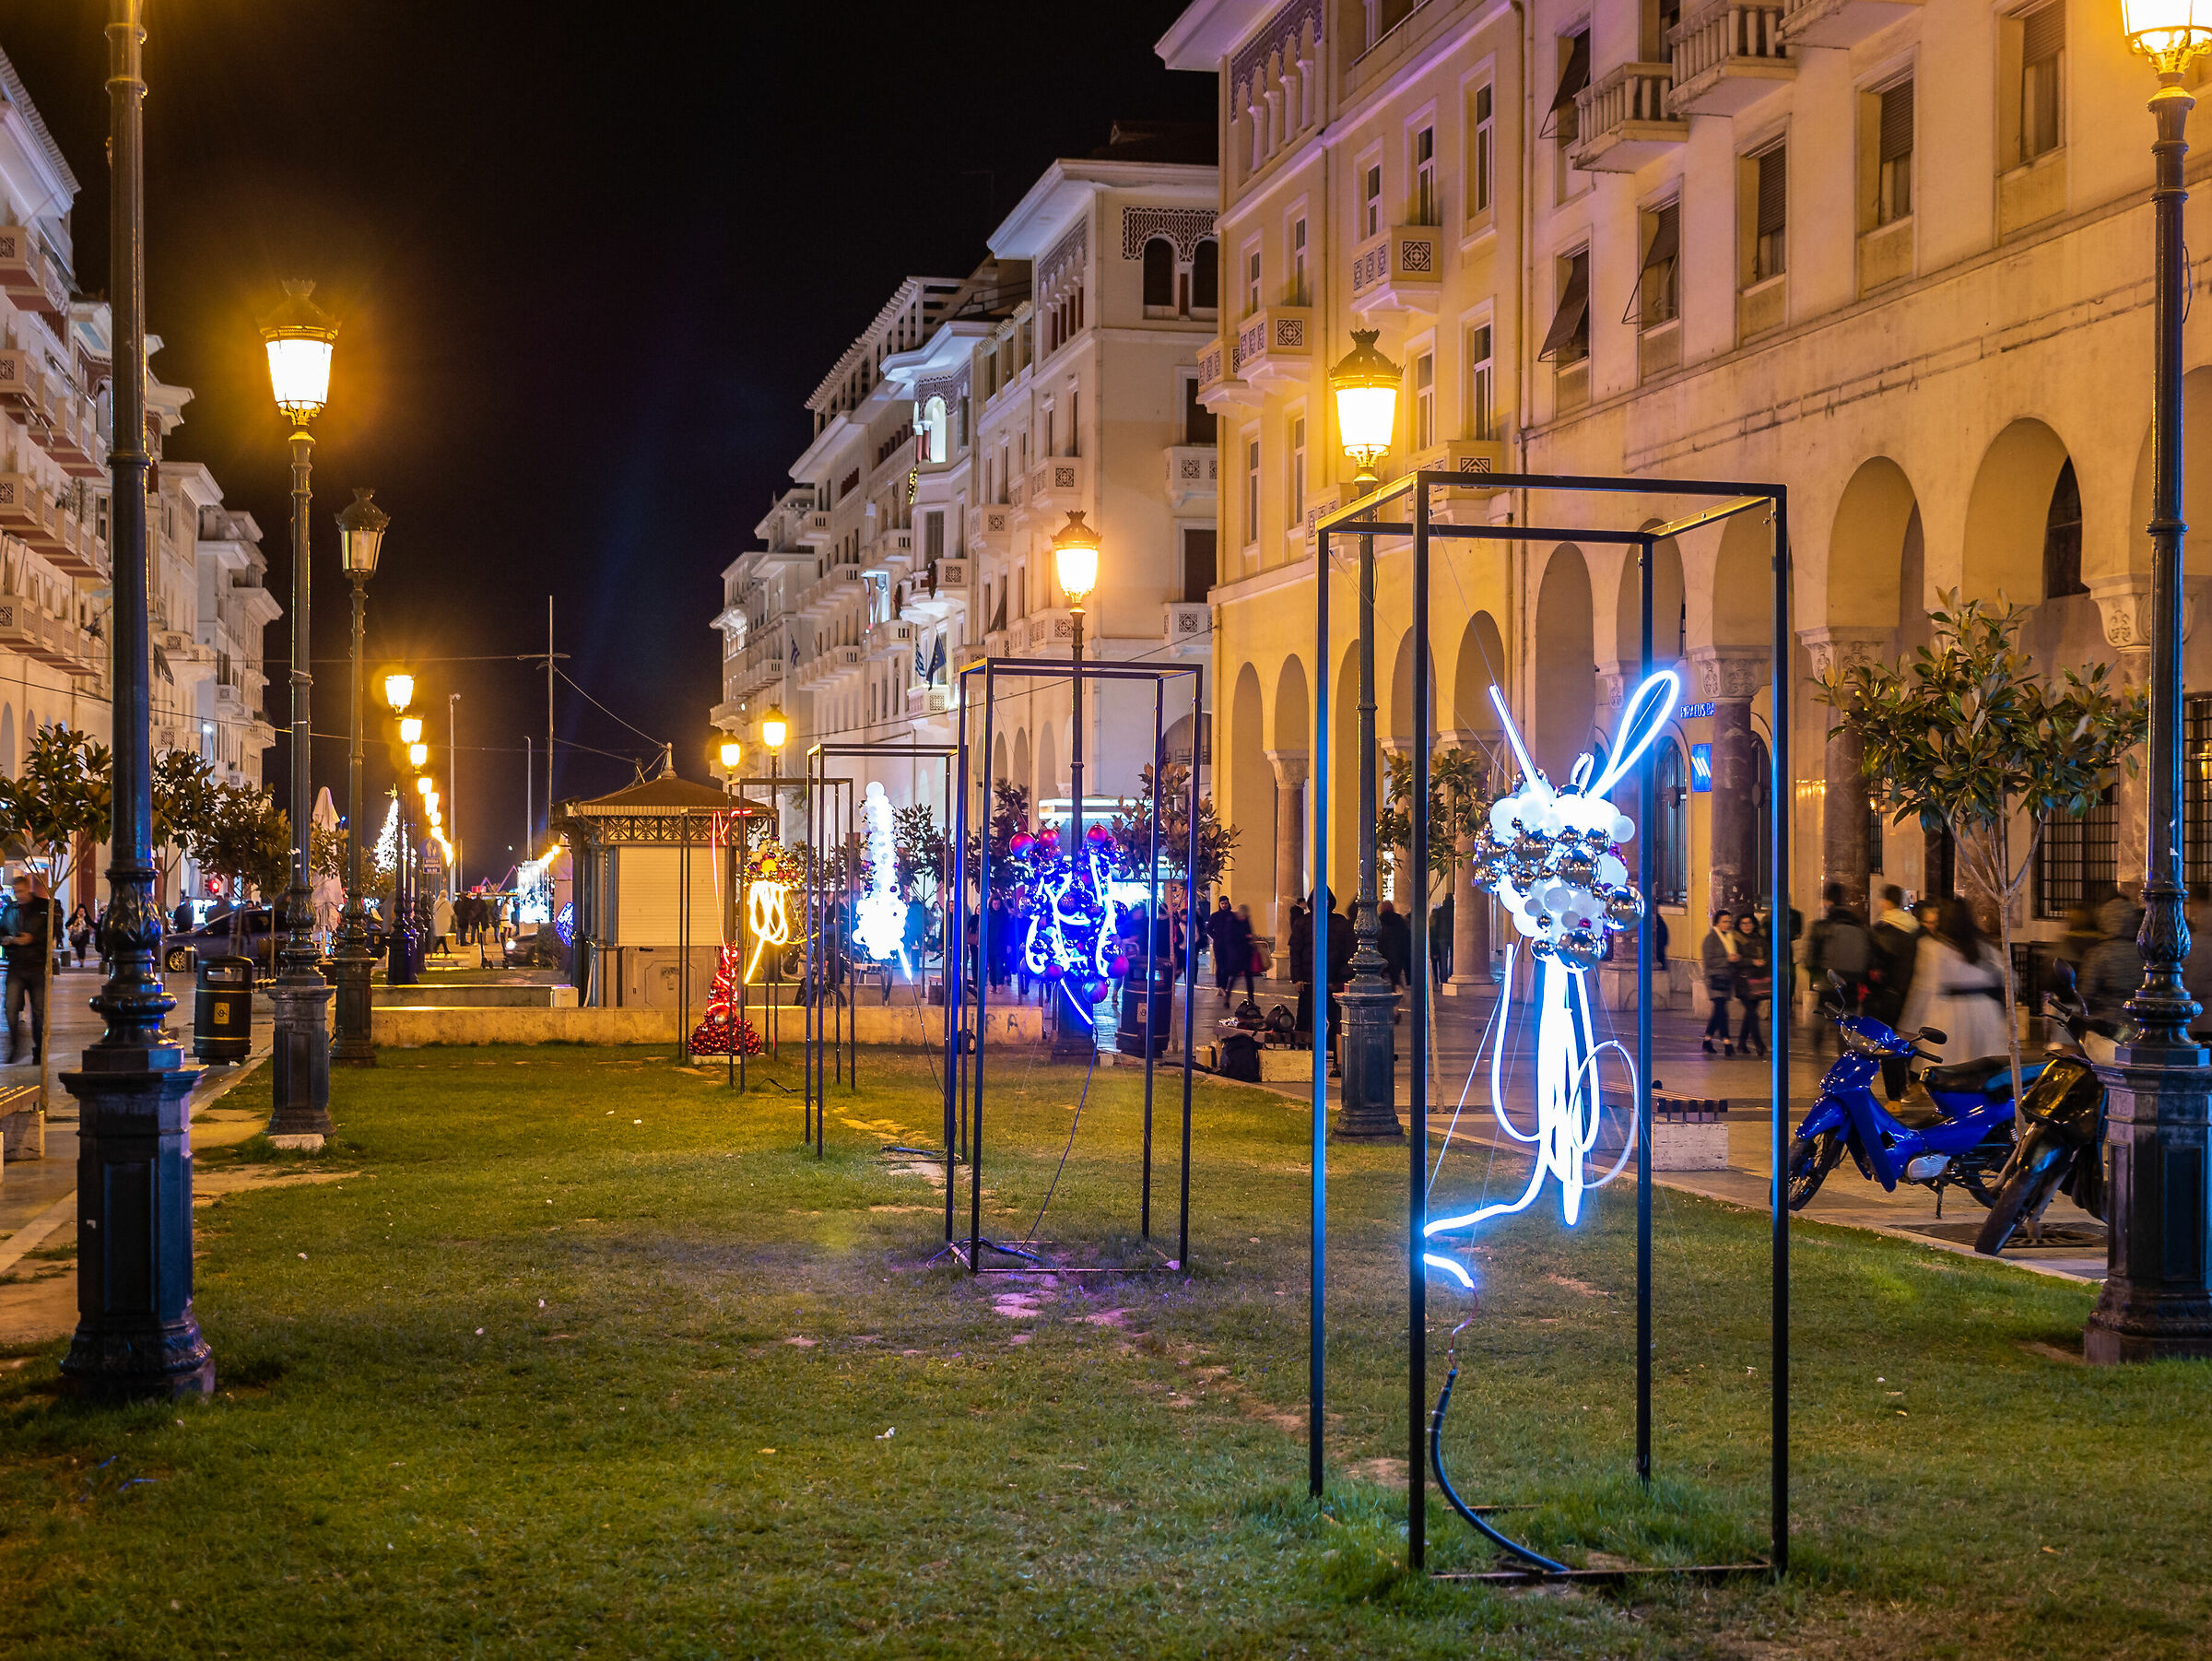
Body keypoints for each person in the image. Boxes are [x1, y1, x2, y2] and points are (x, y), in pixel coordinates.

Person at [1900, 897, 2009, 1065]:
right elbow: (2008, 979)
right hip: (1985, 1012)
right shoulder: (1983, 945)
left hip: (1949, 1014)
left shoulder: (1932, 947)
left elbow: (1923, 990)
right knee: (1983, 1068)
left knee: (1950, 1069)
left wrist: (1909, 1027)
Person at [1806, 883, 1874, 1055]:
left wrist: (1816, 975)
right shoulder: (1858, 924)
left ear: (1826, 900)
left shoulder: (1824, 925)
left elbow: (1812, 956)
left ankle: (1817, 1047)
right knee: (1847, 1017)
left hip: (1830, 979)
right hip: (1853, 981)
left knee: (1822, 1012)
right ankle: (1843, 1050)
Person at [1865, 886, 1921, 1100]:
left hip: (1888, 997)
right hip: (1913, 994)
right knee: (1913, 1039)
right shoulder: (1915, 929)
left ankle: (1895, 1097)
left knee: (1890, 1045)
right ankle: (1915, 1082)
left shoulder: (1881, 930)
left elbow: (1873, 967)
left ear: (1885, 902)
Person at [3, 875, 50, 1066]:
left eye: (21, 891)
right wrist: (7, 940)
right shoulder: (10, 910)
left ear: (28, 889)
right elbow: (2, 932)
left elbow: (49, 933)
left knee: (38, 1012)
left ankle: (38, 1050)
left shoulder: (43, 908)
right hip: (16, 966)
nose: (18, 896)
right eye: (15, 892)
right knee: (10, 1008)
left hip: (37, 966)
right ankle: (14, 1045)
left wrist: (33, 939)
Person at [2081, 892, 2147, 1029]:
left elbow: (2087, 992)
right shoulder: (2142, 953)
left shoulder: (2100, 953)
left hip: (2107, 1025)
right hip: (2138, 1023)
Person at [1734, 911, 1771, 1060]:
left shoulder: (1760, 939)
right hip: (1743, 981)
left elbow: (1769, 953)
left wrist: (1764, 962)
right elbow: (1736, 959)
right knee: (1752, 1012)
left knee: (1750, 1013)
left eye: (1749, 923)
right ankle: (1758, 1043)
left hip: (1757, 982)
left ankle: (1742, 1043)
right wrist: (1752, 961)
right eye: (1743, 923)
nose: (1746, 926)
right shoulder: (1735, 940)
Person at [1700, 909, 1737, 1056]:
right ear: (1717, 923)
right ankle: (1726, 1041)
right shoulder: (1711, 939)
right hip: (1714, 979)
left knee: (1718, 1011)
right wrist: (1727, 959)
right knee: (1721, 1009)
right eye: (1724, 921)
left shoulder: (1730, 938)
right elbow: (1709, 961)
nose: (1727, 924)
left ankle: (1707, 1040)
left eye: (1729, 921)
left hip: (1726, 978)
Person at [1207, 896, 1253, 1005]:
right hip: (1220, 945)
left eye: (1226, 903)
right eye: (1222, 904)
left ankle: (1225, 988)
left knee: (1229, 969)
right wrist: (1216, 937)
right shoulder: (1215, 916)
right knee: (1220, 965)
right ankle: (1220, 986)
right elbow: (1209, 929)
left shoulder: (1233, 916)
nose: (1224, 906)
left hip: (1233, 949)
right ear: (1219, 904)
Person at [1376, 900, 1411, 991]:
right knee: (1395, 978)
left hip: (1382, 954)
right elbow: (1405, 938)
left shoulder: (1378, 921)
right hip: (1397, 954)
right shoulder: (1400, 921)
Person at [66, 902, 92, 969]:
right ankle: (80, 960)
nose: (81, 912)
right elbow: (67, 924)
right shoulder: (74, 917)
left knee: (82, 948)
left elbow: (92, 923)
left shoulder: (86, 917)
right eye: (80, 911)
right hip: (76, 935)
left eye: (82, 911)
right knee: (78, 948)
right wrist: (69, 927)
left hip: (84, 935)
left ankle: (81, 962)